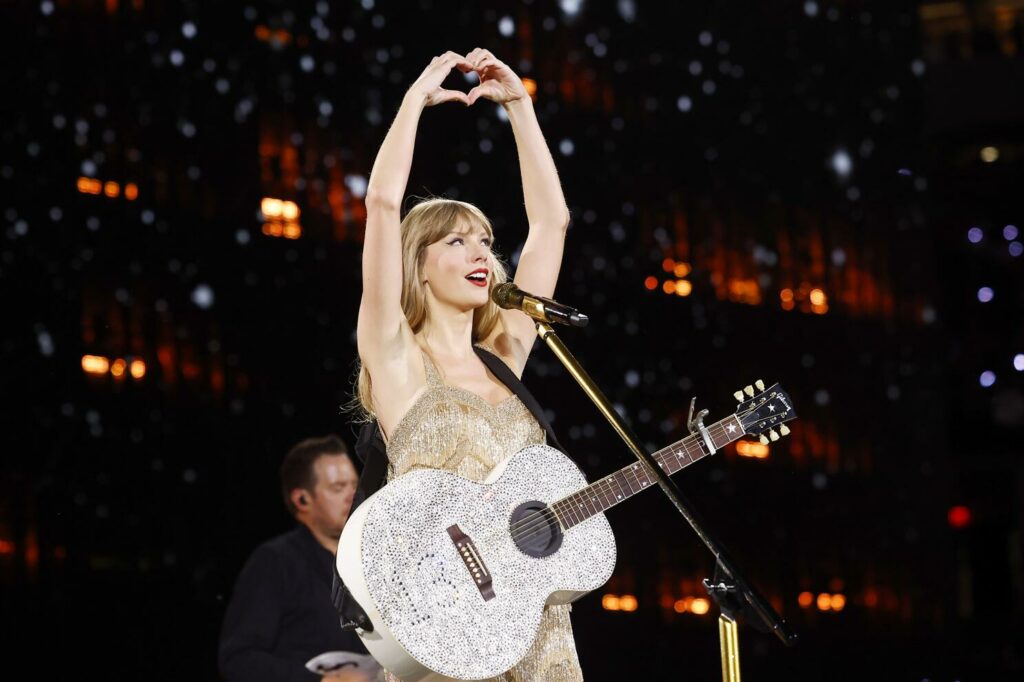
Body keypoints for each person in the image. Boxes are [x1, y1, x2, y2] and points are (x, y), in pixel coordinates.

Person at [354, 48, 584, 681]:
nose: (480, 252)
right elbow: (379, 203)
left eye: (484, 240)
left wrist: (520, 107)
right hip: (450, 628)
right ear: (418, 264)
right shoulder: (396, 356)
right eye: (456, 241)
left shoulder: (506, 354)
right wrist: (413, 104)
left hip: (538, 632)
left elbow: (551, 222)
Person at [219, 435, 378, 682]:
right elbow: (238, 659)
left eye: (353, 484)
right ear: (302, 499)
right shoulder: (274, 562)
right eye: (338, 487)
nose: (352, 494)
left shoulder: (372, 556)